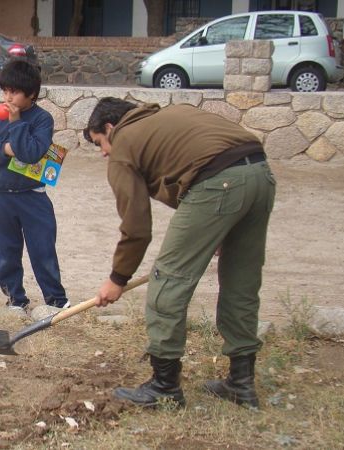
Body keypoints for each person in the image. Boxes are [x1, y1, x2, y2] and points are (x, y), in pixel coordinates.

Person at [84, 97, 275, 409]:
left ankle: (164, 385)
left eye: (99, 144)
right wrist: (212, 228)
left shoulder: (124, 143)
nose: (105, 152)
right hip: (260, 174)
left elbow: (137, 226)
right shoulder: (169, 116)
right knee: (241, 281)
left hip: (220, 182)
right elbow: (197, 164)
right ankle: (241, 384)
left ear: (110, 127)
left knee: (167, 281)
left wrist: (118, 279)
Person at [0, 59, 69, 311]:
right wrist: (4, 149)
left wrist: (16, 124)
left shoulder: (42, 119)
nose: (8, 97)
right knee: (6, 252)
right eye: (5, 91)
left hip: (32, 195)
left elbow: (31, 153)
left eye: (14, 92)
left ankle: (55, 301)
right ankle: (15, 299)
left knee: (43, 249)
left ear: (31, 94)